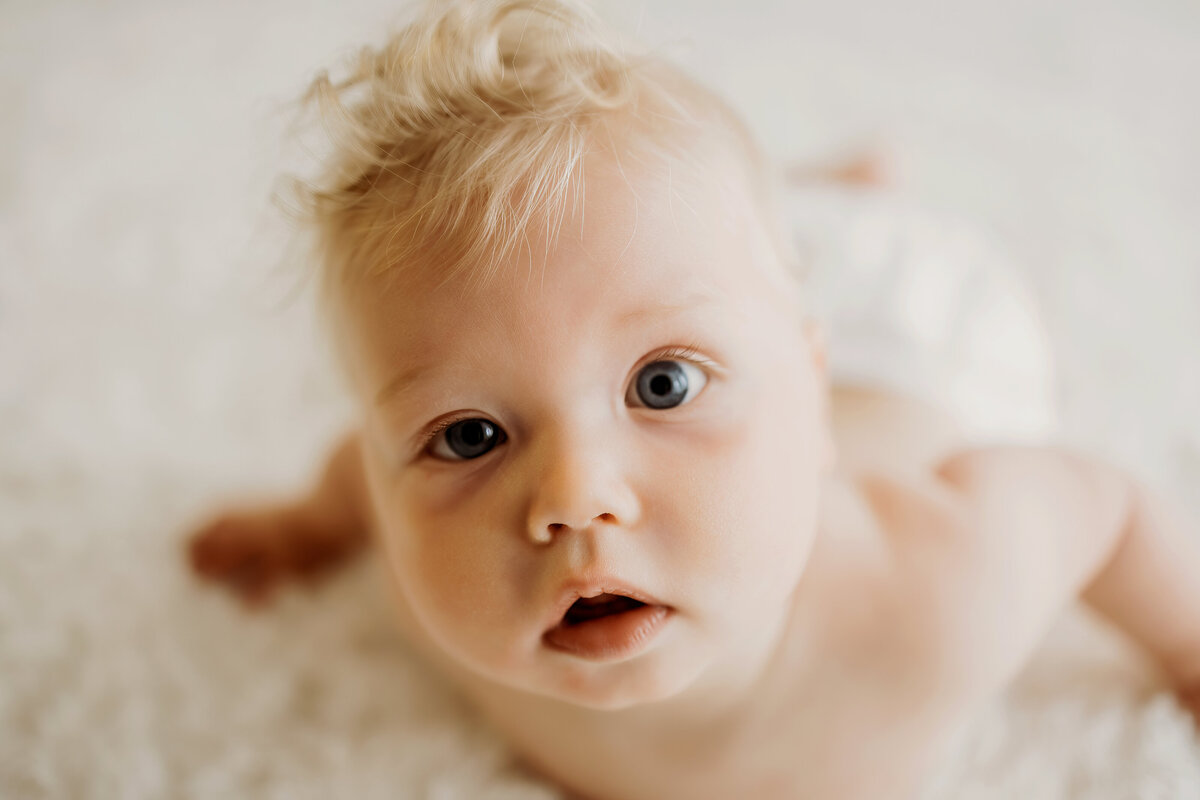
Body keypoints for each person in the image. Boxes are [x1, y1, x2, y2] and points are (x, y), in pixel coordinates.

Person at [187, 1, 1200, 797]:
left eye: (658, 388)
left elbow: (1103, 510)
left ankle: (851, 197)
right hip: (727, 318)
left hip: (914, 334)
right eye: (472, 433)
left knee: (756, 251)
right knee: (670, 265)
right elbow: (365, 474)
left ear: (811, 389)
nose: (575, 498)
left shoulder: (935, 595)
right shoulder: (425, 567)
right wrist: (312, 519)